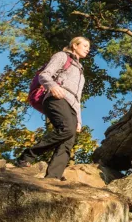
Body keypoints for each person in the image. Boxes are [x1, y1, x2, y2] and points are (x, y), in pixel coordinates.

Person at [16, 37, 90, 179]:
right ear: (74, 45)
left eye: (89, 47)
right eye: (85, 45)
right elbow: (44, 75)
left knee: (68, 142)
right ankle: (27, 156)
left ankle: (53, 178)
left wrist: (79, 120)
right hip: (56, 98)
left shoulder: (81, 70)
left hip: (72, 106)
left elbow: (78, 98)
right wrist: (53, 86)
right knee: (66, 129)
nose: (88, 49)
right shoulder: (62, 56)